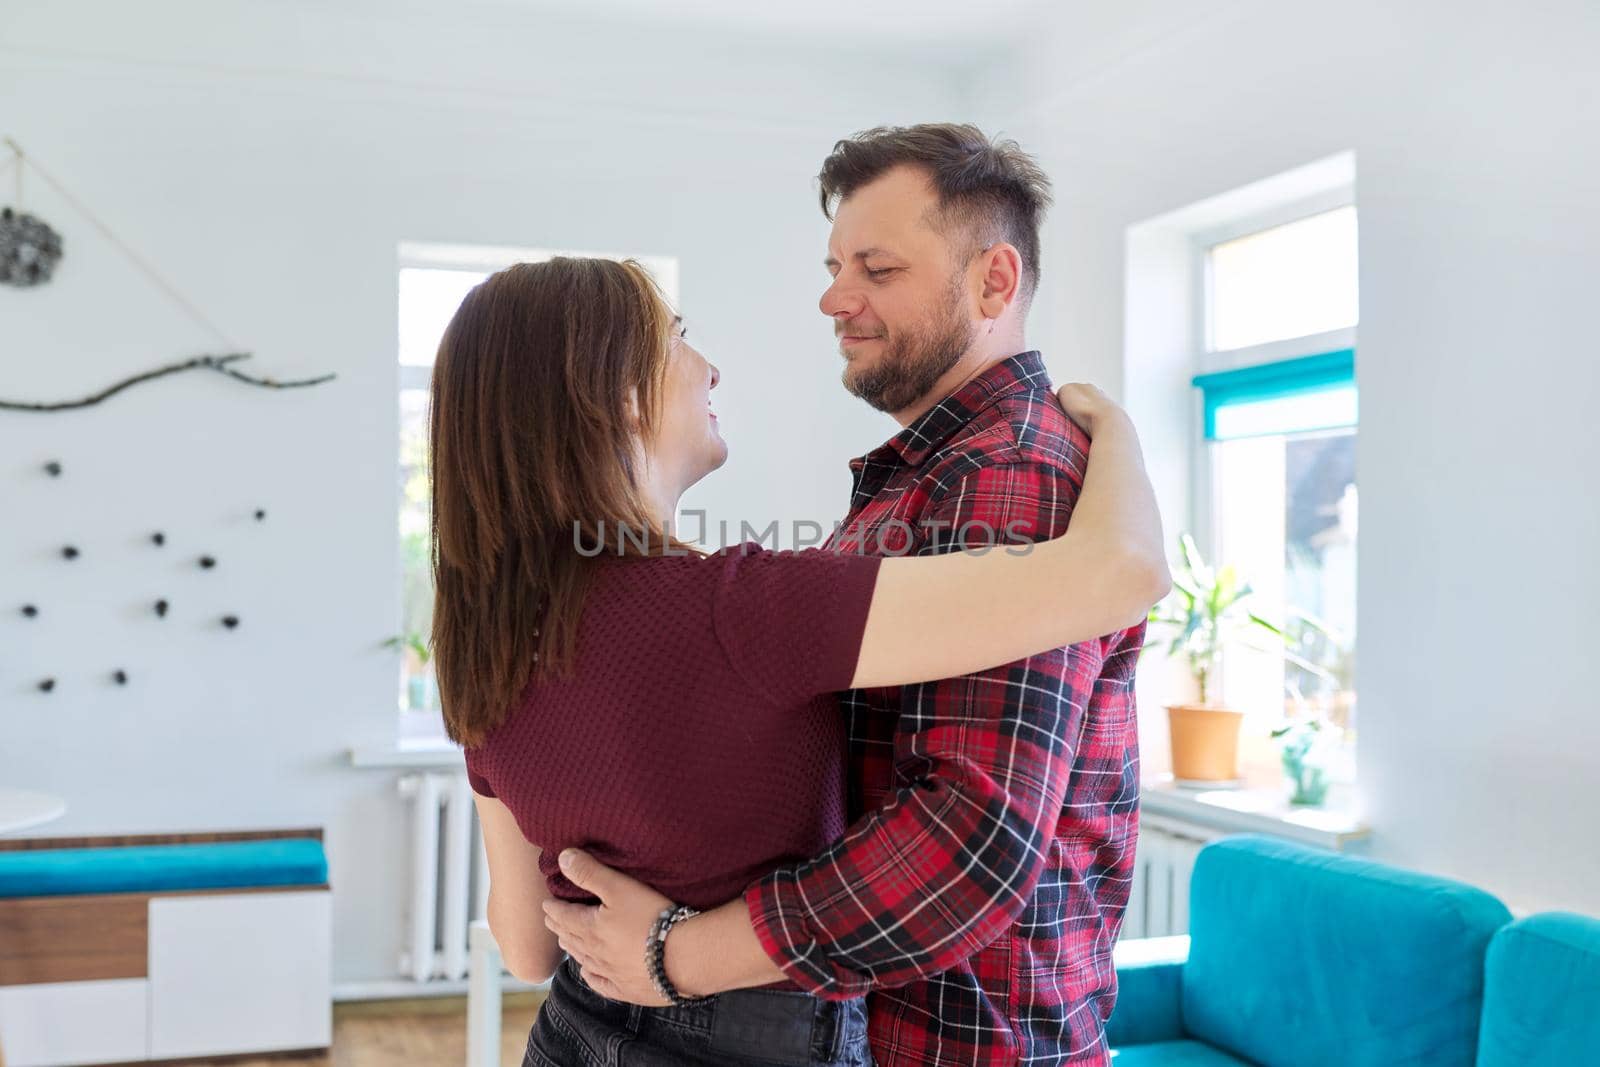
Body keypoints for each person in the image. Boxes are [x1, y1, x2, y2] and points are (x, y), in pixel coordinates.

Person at [436, 254, 1165, 1065]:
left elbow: (527, 947)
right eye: (676, 337)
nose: (708, 368)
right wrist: (1119, 430)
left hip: (573, 1028)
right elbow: (1125, 570)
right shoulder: (743, 606)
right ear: (618, 391)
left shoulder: (481, 650)